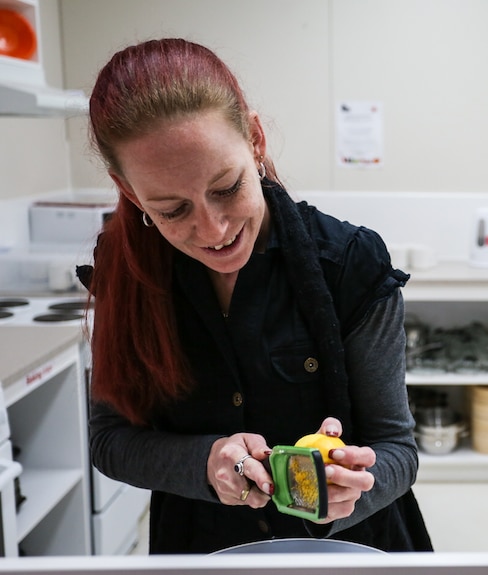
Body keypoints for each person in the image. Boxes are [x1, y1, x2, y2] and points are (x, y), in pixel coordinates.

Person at [81, 37, 432, 554]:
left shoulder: (350, 264)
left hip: (351, 548)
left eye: (226, 188)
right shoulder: (125, 275)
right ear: (129, 191)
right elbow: (110, 441)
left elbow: (398, 448)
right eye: (172, 210)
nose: (213, 228)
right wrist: (205, 462)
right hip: (201, 547)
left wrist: (352, 488)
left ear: (256, 139)